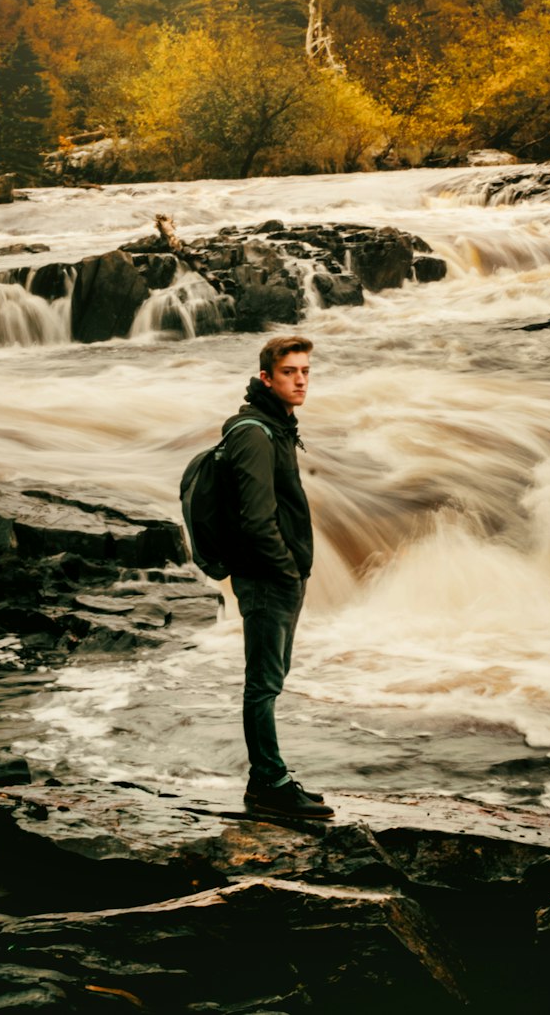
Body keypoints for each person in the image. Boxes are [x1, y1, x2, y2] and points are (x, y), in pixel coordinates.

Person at [222, 334, 334, 821]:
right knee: (263, 683)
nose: (301, 380)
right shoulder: (254, 432)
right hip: (267, 577)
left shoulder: (278, 424)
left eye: (306, 371)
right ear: (267, 378)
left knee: (271, 679)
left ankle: (268, 777)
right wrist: (286, 571)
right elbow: (256, 518)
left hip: (281, 574)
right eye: (290, 372)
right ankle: (268, 781)